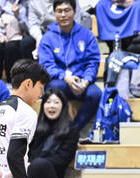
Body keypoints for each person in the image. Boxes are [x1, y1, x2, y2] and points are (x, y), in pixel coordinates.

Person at [38, 0, 101, 131]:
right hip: (60, 81)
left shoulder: (87, 35)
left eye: (67, 10)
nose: (63, 15)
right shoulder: (48, 38)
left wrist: (86, 81)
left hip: (81, 82)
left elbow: (93, 62)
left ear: (74, 12)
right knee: (55, 88)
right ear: (54, 13)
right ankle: (57, 130)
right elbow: (46, 65)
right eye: (59, 11)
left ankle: (73, 131)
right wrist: (65, 77)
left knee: (95, 93)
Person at [28, 88, 79, 178]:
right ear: (43, 106)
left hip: (51, 177)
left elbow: (61, 160)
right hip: (29, 172)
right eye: (48, 102)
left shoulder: (71, 131)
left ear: (63, 106)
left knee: (39, 164)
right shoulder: (35, 127)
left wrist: (32, 164)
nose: (52, 106)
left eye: (56, 102)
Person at [0, 0, 36, 82]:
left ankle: (11, 80)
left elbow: (30, 27)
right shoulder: (1, 2)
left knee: (12, 46)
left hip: (21, 35)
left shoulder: (28, 3)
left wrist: (18, 16)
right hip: (2, 34)